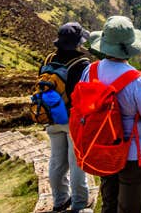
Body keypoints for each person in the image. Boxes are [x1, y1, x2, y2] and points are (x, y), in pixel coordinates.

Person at [83, 16, 141, 213]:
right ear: (129, 47)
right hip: (135, 155)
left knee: (109, 203)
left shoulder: (90, 71)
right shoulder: (138, 81)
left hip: (104, 148)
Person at [45, 22, 93, 213]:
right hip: (73, 119)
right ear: (77, 43)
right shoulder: (82, 64)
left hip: (52, 116)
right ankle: (80, 204)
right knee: (77, 163)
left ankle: (59, 201)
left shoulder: (49, 58)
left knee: (57, 161)